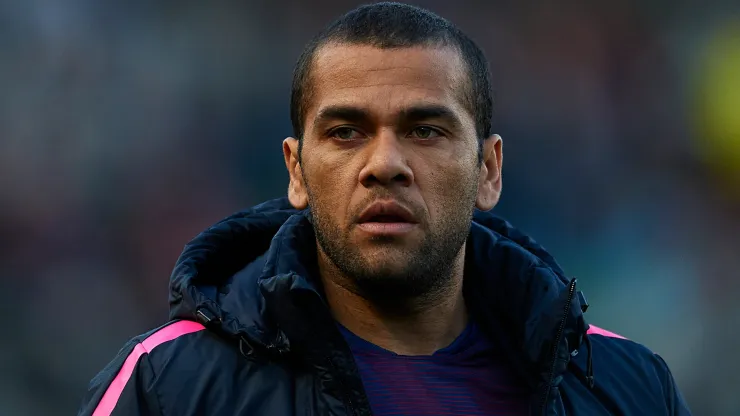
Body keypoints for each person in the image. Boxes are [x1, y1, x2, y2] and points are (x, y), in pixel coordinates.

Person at [78, 3, 691, 415]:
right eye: (345, 131)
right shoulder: (170, 385)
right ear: (295, 170)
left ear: (488, 169)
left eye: (425, 130)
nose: (384, 163)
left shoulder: (622, 385)